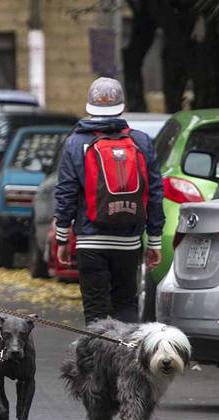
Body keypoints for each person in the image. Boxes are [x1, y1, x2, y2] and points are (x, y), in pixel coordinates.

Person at [55, 77, 164, 325]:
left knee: (95, 312)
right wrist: (154, 241)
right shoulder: (141, 142)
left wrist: (62, 238)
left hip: (90, 241)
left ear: (89, 107)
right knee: (126, 305)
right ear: (122, 108)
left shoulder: (75, 143)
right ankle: (125, 360)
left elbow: (65, 193)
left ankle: (96, 362)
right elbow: (155, 192)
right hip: (128, 241)